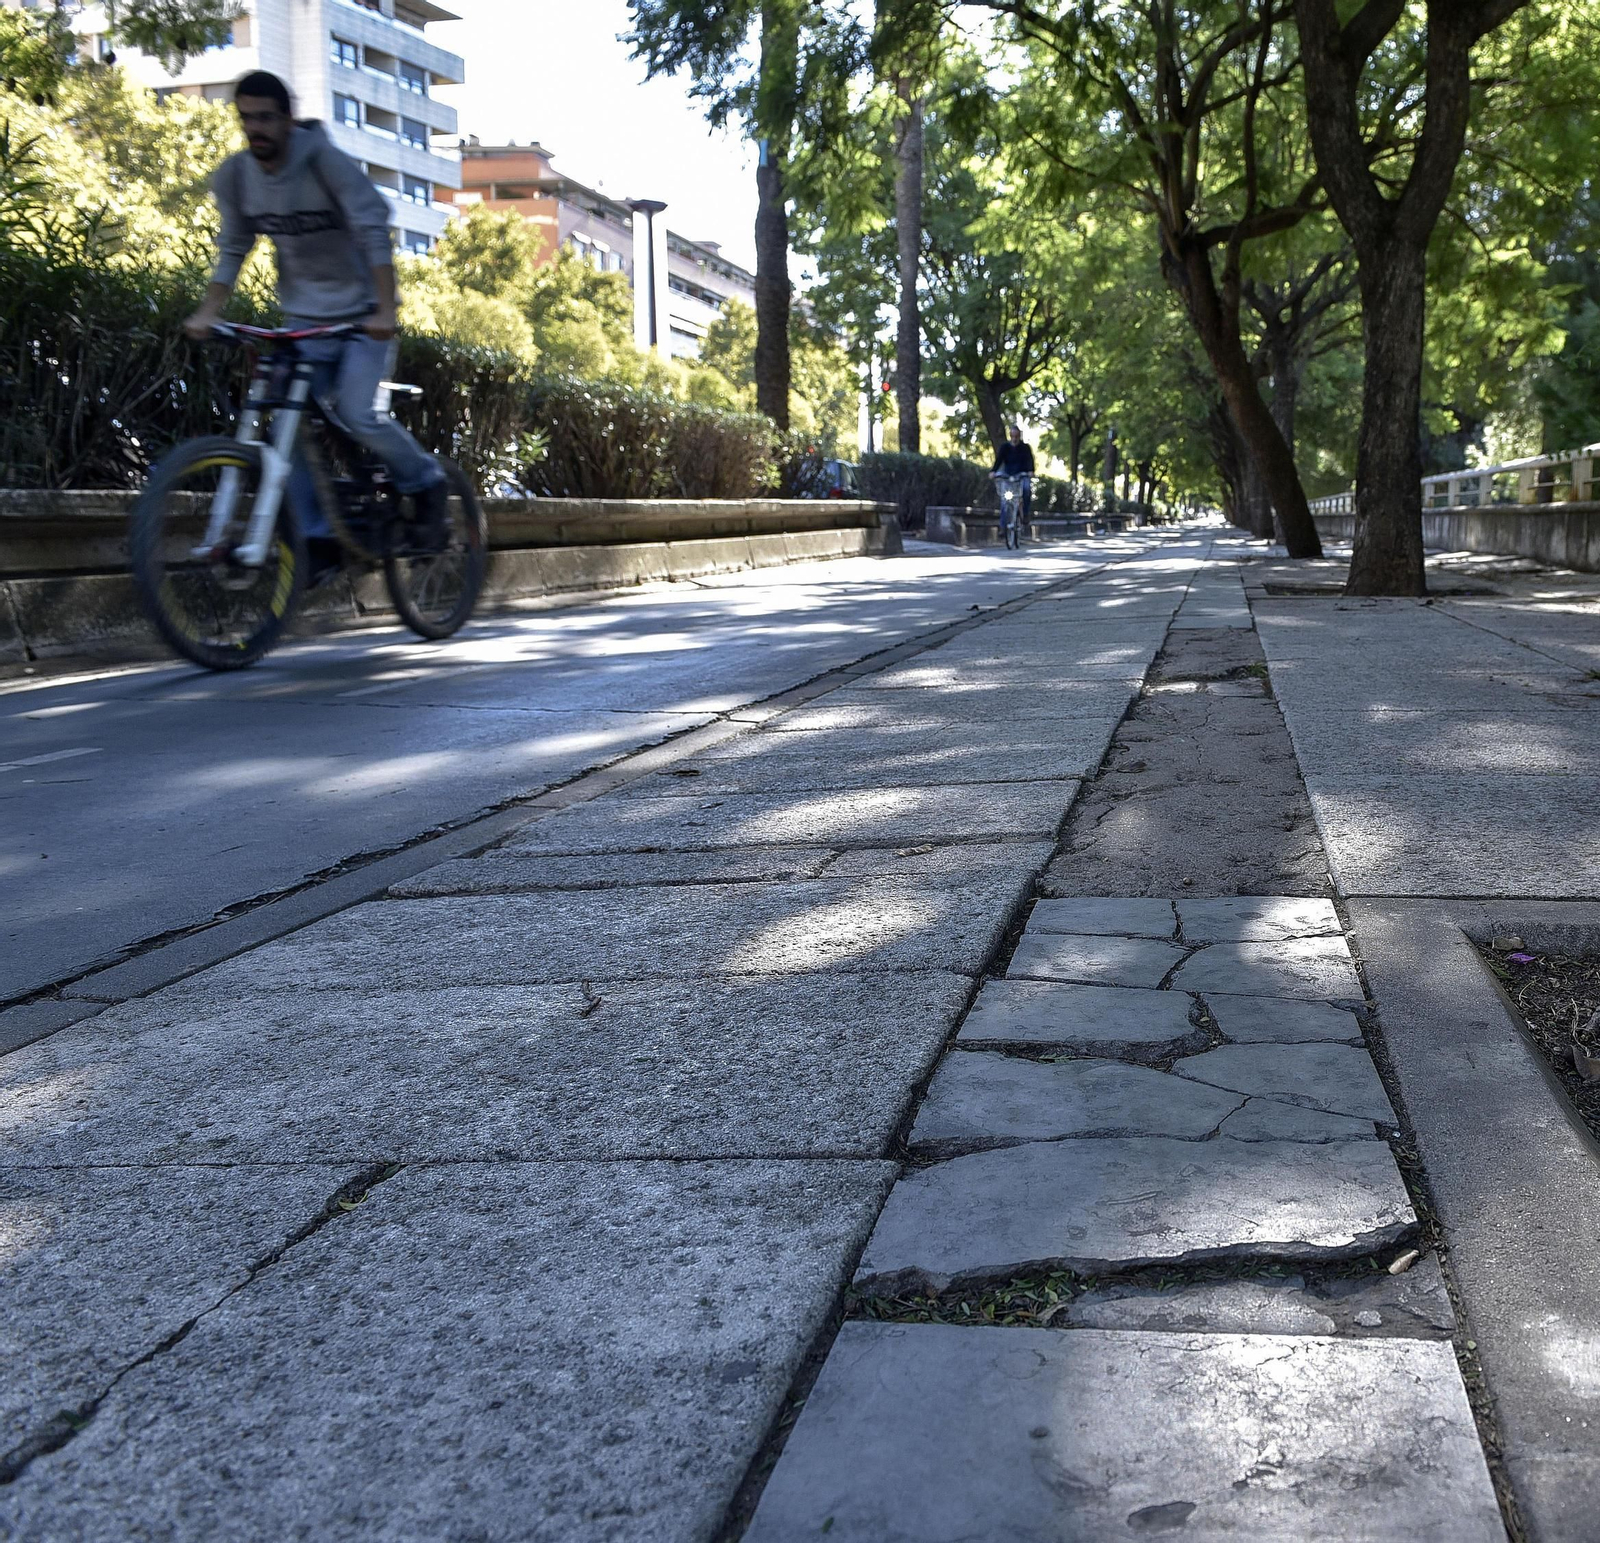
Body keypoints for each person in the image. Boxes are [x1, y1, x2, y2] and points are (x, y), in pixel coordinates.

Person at [184, 70, 447, 558]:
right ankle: (318, 539)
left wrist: (387, 308)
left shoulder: (323, 162)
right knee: (283, 422)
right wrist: (208, 312)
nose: (255, 128)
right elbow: (233, 249)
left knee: (356, 412)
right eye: (246, 118)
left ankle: (425, 481)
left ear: (287, 117)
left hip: (363, 317)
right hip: (303, 321)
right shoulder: (237, 177)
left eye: (265, 117)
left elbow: (373, 230)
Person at [992, 424, 1036, 522]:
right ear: (1010, 436)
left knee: (1026, 489)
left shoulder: (1025, 448)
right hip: (1008, 476)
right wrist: (993, 471)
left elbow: (1030, 460)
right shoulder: (1005, 447)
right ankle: (1003, 527)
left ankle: (1025, 513)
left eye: (1016, 436)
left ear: (1019, 436)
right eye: (1013, 436)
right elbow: (999, 460)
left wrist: (1031, 471)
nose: (1014, 439)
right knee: (1004, 500)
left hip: (1022, 475)